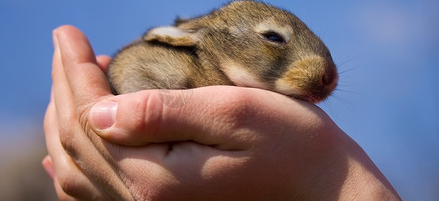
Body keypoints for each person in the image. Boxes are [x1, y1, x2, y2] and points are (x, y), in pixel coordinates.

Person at [43, 25, 401, 200]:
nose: (328, 76)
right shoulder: (173, 57)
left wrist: (333, 178)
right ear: (183, 37)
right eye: (275, 38)